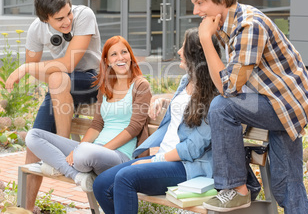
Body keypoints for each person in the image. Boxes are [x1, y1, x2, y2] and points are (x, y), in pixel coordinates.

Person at [187, 0, 308, 213]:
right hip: (273, 100)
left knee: (221, 108)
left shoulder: (249, 26)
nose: (196, 11)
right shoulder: (231, 23)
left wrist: (205, 40)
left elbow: (228, 87)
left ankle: (238, 189)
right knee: (288, 186)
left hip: (285, 104)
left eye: (200, 3)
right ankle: (243, 186)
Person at [92, 28, 221, 214]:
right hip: (163, 157)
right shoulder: (186, 81)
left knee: (125, 178)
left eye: (183, 48)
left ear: (194, 55)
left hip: (186, 165)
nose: (178, 52)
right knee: (101, 184)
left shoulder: (214, 96)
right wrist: (163, 101)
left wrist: (155, 160)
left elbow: (193, 148)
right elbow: (184, 110)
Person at [5, 0, 101, 211]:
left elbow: (68, 64)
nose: (67, 21)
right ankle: (26, 209)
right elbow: (42, 72)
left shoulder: (84, 15)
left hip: (92, 80)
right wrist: (32, 69)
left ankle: (63, 153)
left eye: (68, 13)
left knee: (57, 76)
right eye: (60, 19)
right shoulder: (36, 30)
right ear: (45, 18)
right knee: (32, 143)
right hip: (60, 86)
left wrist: (25, 69)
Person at [25, 35, 152, 194]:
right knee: (33, 136)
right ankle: (78, 176)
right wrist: (78, 148)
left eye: (124, 52)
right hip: (93, 151)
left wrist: (96, 150)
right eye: (114, 54)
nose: (120, 58)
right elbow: (97, 125)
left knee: (84, 154)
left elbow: (134, 128)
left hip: (120, 156)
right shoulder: (105, 87)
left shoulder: (141, 85)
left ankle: (60, 165)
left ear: (131, 56)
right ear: (107, 61)